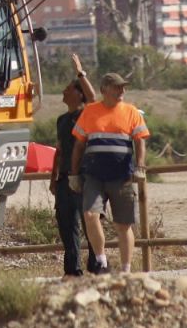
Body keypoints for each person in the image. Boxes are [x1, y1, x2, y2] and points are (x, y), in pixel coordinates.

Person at [69, 71, 149, 274]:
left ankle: (126, 269)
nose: (122, 91)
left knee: (123, 225)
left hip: (121, 176)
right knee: (89, 214)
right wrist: (74, 174)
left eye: (123, 87)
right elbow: (79, 145)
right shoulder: (90, 111)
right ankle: (101, 260)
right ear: (104, 90)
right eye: (117, 87)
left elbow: (140, 140)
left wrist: (140, 166)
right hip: (94, 175)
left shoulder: (131, 112)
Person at [51, 52, 99, 277]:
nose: (63, 91)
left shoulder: (86, 114)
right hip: (63, 181)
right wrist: (53, 178)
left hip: (84, 178)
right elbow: (59, 150)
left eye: (68, 89)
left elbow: (93, 98)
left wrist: (80, 72)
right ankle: (72, 271)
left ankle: (96, 265)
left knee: (90, 224)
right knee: (67, 226)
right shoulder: (61, 120)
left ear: (78, 94)